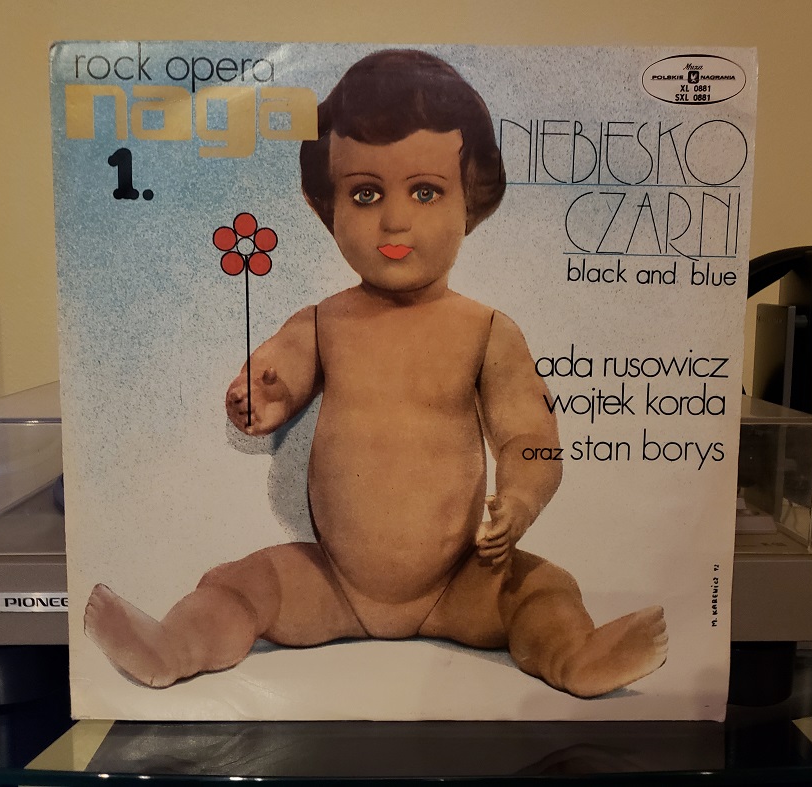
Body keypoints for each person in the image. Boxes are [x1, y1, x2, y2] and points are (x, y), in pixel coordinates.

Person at [84, 49, 667, 698]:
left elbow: (531, 436)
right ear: (326, 204)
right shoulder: (323, 322)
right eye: (365, 193)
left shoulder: (486, 331)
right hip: (332, 582)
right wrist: (262, 393)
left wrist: (520, 501)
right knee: (239, 583)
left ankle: (572, 655)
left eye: (425, 191)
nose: (394, 219)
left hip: (460, 581)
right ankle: (175, 644)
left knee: (543, 588)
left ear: (471, 198)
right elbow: (281, 366)